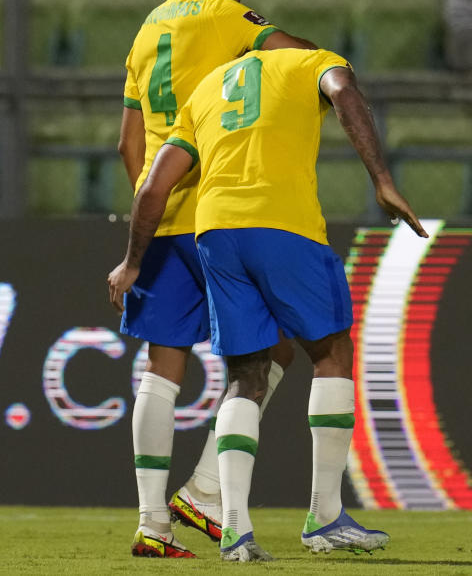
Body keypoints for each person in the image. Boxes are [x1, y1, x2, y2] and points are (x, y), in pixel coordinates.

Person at [108, 47, 427, 561]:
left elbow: (153, 185)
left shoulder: (207, 87)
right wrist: (382, 180)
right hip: (283, 222)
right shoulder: (309, 61)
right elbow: (345, 93)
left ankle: (235, 529)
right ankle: (324, 517)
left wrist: (134, 261)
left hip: (214, 231)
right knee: (331, 354)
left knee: (246, 374)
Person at [117, 0, 320, 559]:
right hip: (224, 217)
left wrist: (152, 207)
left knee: (160, 369)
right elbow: (304, 60)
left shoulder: (146, 31)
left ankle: (152, 524)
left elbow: (129, 140)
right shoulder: (232, 20)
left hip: (161, 216)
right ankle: (206, 493)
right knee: (277, 349)